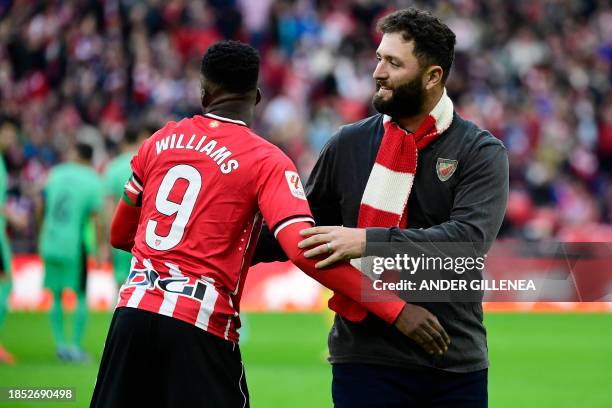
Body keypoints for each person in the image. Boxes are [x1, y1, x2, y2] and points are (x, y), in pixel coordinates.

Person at [90, 40, 446, 408]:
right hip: (198, 324)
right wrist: (396, 309)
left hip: (131, 313)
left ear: (203, 92)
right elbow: (303, 249)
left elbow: (120, 234)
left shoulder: (160, 141)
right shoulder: (266, 160)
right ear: (256, 97)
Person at [258, 8, 509, 407]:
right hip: (364, 360)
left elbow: (467, 243)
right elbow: (299, 232)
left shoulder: (479, 152)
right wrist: (215, 228)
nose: (378, 72)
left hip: (452, 360)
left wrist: (366, 241)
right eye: (378, 58)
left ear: (433, 77)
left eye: (393, 63)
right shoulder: (349, 143)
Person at [39, 142, 105, 362]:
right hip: (73, 244)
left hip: (49, 239)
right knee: (80, 294)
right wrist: (99, 247)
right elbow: (96, 218)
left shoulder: (55, 173)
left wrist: (42, 230)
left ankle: (60, 344)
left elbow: (41, 204)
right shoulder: (93, 179)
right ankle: (75, 347)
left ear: (75, 154)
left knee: (55, 295)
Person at [103, 121, 154, 287]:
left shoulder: (112, 168)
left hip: (124, 237)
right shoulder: (151, 162)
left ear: (123, 142)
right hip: (149, 239)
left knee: (121, 289)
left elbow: (108, 209)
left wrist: (105, 242)